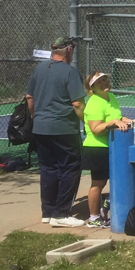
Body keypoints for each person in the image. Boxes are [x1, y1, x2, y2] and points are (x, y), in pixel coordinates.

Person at [27, 36, 87, 227]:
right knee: (70, 167)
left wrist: (37, 118)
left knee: (48, 168)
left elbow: (30, 98)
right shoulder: (70, 72)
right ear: (68, 50)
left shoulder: (40, 69)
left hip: (41, 128)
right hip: (64, 129)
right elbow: (77, 103)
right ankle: (61, 214)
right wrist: (87, 122)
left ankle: (48, 211)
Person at [81, 72, 132, 228]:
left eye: (105, 79)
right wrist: (114, 122)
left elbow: (117, 116)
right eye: (100, 82)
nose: (105, 83)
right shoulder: (94, 103)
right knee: (98, 183)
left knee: (119, 178)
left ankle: (105, 206)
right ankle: (94, 218)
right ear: (93, 88)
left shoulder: (112, 98)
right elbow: (96, 129)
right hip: (96, 148)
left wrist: (125, 120)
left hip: (113, 146)